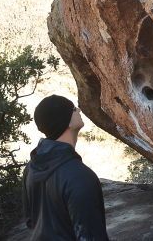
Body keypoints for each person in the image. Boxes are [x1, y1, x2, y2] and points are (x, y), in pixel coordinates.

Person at [22, 95, 108, 241]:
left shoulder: (30, 168)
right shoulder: (80, 176)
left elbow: (31, 221)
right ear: (66, 121)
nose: (79, 110)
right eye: (74, 109)